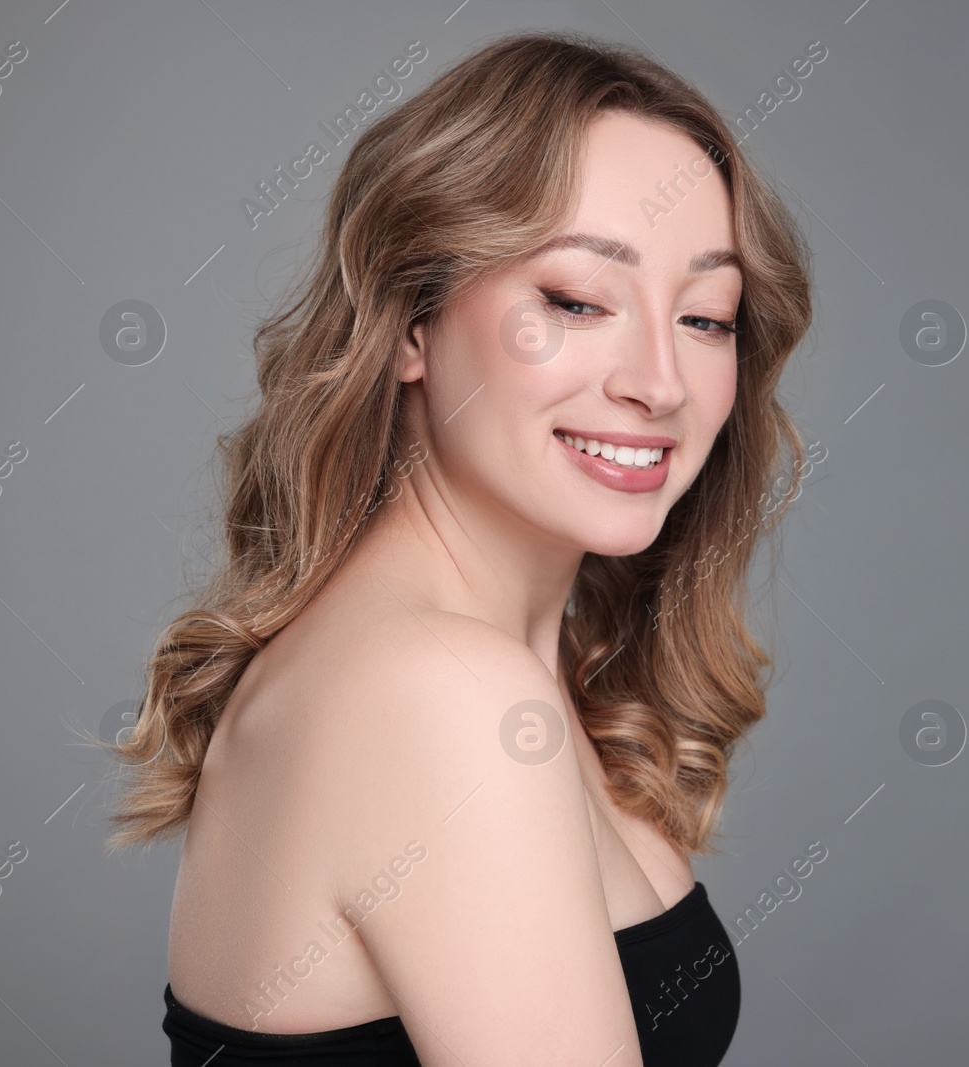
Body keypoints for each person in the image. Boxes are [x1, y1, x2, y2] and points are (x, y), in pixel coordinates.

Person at [98, 28, 815, 1066]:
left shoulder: (509, 669)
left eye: (706, 316)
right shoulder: (442, 693)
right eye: (576, 300)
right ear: (408, 325)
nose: (659, 380)